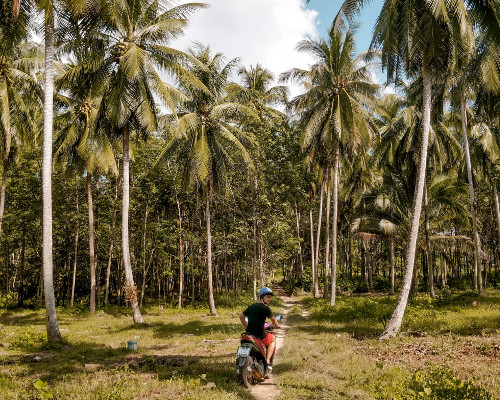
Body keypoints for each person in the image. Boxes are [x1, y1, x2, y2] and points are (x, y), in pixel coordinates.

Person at [239, 287, 279, 378]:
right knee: (272, 338)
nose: (269, 299)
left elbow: (241, 317)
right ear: (262, 297)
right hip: (260, 335)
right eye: (267, 297)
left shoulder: (251, 306)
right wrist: (276, 326)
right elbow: (275, 322)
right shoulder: (266, 309)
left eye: (270, 297)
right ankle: (268, 362)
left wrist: (247, 326)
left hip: (248, 334)